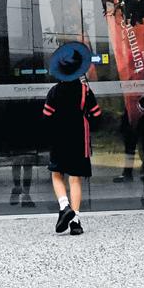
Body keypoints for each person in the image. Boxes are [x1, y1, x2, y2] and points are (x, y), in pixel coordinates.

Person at [43, 41, 102, 235]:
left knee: (56, 173)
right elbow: (96, 114)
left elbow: (46, 116)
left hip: (59, 138)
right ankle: (75, 221)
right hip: (79, 139)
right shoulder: (85, 91)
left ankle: (64, 206)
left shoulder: (54, 91)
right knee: (75, 179)